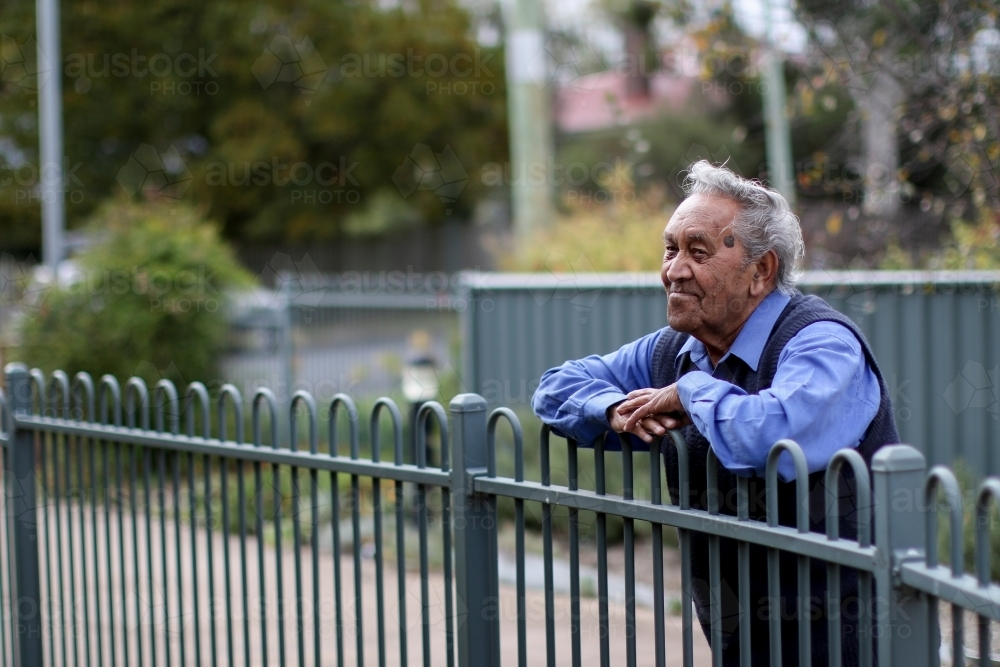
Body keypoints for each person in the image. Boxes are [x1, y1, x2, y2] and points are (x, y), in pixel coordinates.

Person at [531, 161, 897, 666]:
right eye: (670, 249)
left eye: (698, 252)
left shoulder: (821, 343)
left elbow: (776, 434)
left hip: (857, 647)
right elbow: (555, 387)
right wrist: (613, 408)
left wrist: (690, 394)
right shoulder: (676, 350)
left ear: (760, 271)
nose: (674, 270)